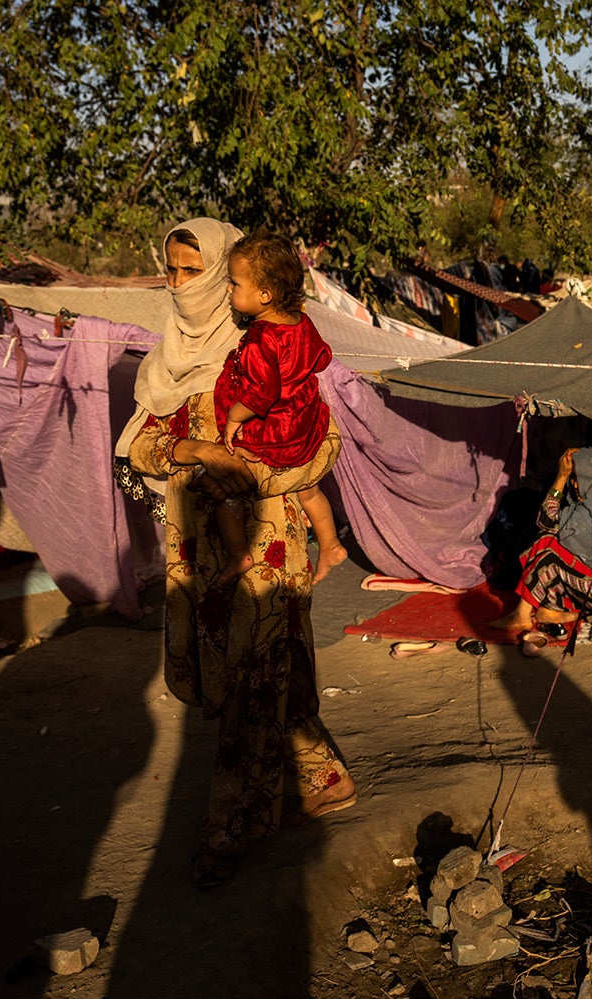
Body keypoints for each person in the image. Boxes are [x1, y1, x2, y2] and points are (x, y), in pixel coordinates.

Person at [117, 217, 357, 889]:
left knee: (253, 677)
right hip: (197, 547)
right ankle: (323, 779)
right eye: (171, 269)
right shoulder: (167, 362)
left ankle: (229, 828)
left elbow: (319, 446)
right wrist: (192, 450)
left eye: (194, 270)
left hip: (267, 546)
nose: (180, 284)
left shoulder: (265, 348)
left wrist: (256, 472)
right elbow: (137, 446)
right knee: (258, 677)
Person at [212, 231, 346, 586]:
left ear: (265, 295)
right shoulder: (301, 321)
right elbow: (322, 357)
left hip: (274, 434)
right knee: (309, 490)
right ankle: (331, 544)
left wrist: (233, 419)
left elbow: (262, 395)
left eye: (234, 283)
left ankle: (239, 552)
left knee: (225, 491)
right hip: (304, 421)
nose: (228, 290)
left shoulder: (260, 340)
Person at [490, 446, 592, 634]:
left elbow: (545, 521)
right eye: (573, 479)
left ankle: (521, 615)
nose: (575, 486)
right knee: (559, 550)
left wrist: (561, 478)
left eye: (577, 478)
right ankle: (550, 611)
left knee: (546, 545)